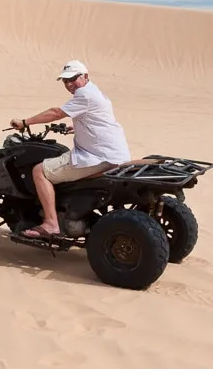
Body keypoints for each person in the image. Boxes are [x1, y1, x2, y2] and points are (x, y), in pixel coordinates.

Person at [9, 59, 131, 238]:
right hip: (116, 155)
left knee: (39, 171)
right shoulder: (96, 92)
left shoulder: (85, 95)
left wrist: (24, 122)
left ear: (85, 76)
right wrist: (77, 127)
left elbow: (56, 113)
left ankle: (51, 223)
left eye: (73, 78)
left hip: (98, 157)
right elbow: (100, 120)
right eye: (65, 81)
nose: (69, 84)